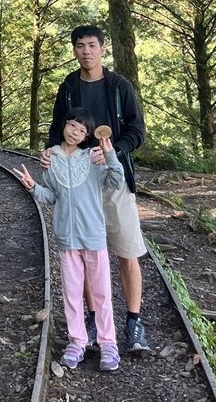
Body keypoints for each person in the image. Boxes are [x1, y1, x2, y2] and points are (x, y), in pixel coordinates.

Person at [41, 24, 150, 352]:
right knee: (86, 252)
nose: (86, 51)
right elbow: (56, 129)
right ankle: (92, 318)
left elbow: (137, 130)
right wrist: (49, 154)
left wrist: (114, 153)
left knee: (127, 251)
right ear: (74, 50)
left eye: (91, 45)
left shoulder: (119, 86)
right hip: (78, 184)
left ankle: (134, 322)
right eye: (79, 45)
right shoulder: (70, 86)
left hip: (114, 180)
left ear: (102, 49)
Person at [14, 107, 123, 373]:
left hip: (93, 236)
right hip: (66, 239)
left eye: (83, 130)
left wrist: (109, 154)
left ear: (87, 136)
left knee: (101, 293)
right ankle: (77, 342)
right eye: (73, 126)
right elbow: (52, 197)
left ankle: (108, 343)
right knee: (72, 294)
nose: (76, 133)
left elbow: (117, 180)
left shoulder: (93, 158)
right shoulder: (50, 159)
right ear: (65, 124)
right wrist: (32, 186)